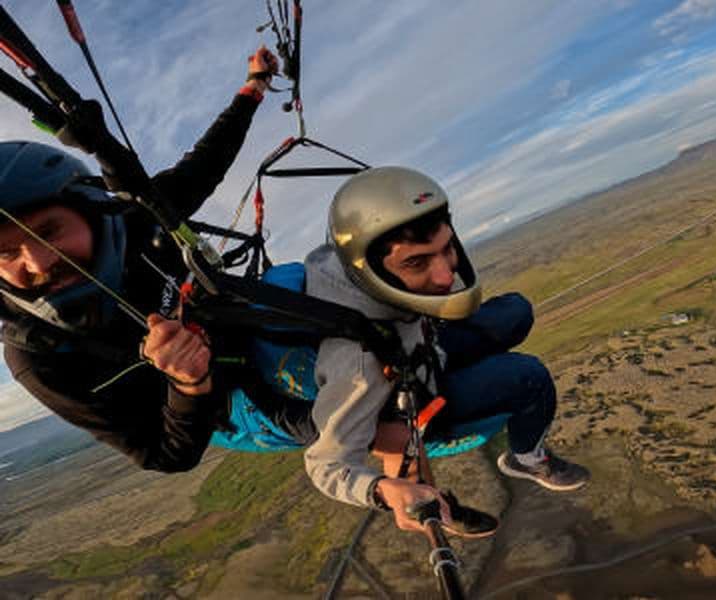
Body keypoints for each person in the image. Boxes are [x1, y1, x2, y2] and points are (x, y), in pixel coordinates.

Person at [0, 46, 318, 471]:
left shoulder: (136, 220)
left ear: (90, 211)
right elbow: (166, 454)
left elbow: (206, 163)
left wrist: (254, 86)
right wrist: (189, 384)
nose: (38, 262)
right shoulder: (38, 357)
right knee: (366, 406)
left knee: (335, 278)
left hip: (250, 318)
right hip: (229, 404)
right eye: (5, 253)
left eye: (49, 231)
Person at [303, 166, 591, 533]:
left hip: (422, 344)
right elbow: (327, 466)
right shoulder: (357, 364)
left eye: (447, 248)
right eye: (417, 262)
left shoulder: (344, 265)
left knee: (516, 311)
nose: (445, 276)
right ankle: (528, 458)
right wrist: (381, 490)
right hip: (419, 393)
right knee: (528, 377)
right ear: (370, 268)